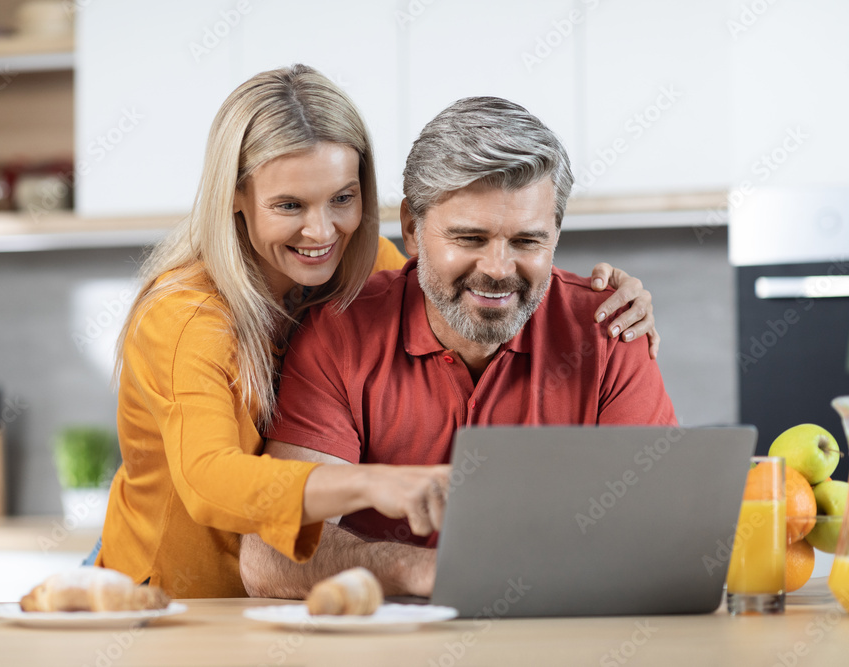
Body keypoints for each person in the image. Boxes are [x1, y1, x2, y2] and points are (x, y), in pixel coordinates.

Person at [95, 65, 660, 599]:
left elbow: (458, 278)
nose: (322, 229)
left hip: (274, 610)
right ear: (235, 197)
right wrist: (375, 484)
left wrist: (607, 301)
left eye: (342, 198)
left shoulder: (363, 264)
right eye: (290, 204)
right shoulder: (188, 316)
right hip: (173, 598)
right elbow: (208, 480)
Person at [239, 96, 677, 600]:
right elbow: (270, 556)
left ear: (556, 235)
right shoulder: (340, 336)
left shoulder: (610, 332)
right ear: (411, 229)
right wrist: (420, 569)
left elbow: (662, 538)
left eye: (527, 242)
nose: (497, 268)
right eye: (469, 238)